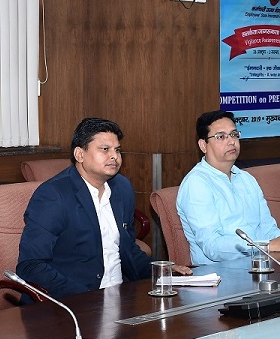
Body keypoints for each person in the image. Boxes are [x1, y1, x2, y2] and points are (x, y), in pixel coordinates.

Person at [16, 118, 187, 298]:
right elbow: (31, 265)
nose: (114, 156)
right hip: (71, 302)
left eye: (117, 150)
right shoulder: (53, 195)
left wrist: (163, 272)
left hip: (120, 296)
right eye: (105, 149)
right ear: (80, 154)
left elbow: (127, 248)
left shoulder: (122, 188)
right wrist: (85, 298)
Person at [177, 110, 280, 264]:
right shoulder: (196, 184)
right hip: (220, 273)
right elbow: (212, 247)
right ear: (203, 145)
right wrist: (266, 246)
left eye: (234, 134)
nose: (231, 141)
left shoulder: (246, 179)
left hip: (258, 265)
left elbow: (268, 231)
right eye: (221, 137)